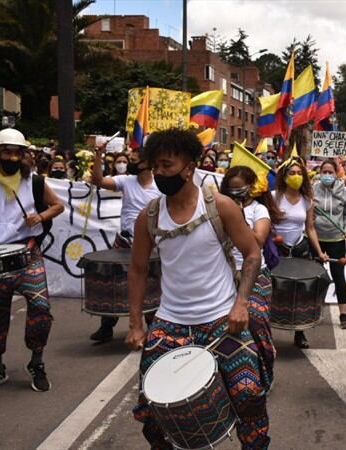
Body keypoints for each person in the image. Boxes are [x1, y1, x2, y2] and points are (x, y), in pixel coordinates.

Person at [126, 129, 269, 450]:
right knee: (152, 412)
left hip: (223, 321)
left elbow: (252, 253)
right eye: (156, 166)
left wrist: (241, 303)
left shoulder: (220, 207)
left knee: (249, 396)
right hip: (170, 323)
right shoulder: (148, 217)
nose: (160, 173)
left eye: (167, 165)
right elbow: (137, 269)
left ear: (189, 168)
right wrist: (136, 324)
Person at [0, 128, 65, 392]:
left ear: (24, 156)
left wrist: (40, 217)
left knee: (41, 308)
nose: (12, 157)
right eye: (7, 152)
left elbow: (57, 206)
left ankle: (37, 362)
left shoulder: (35, 182)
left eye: (17, 153)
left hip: (27, 253)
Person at [219, 165, 282, 390]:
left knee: (255, 320)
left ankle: (266, 368)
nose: (236, 195)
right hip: (224, 273)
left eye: (240, 190)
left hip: (255, 273)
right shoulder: (218, 209)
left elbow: (258, 241)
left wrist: (238, 220)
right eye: (231, 190)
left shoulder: (259, 210)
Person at [89, 144, 160, 342]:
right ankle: (106, 326)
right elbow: (98, 181)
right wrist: (98, 155)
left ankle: (152, 328)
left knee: (151, 285)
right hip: (124, 242)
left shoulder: (160, 186)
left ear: (147, 164)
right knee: (114, 284)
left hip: (151, 245)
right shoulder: (126, 181)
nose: (130, 164)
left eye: (135, 160)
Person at [273, 151, 329, 349]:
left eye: (299, 172)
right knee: (275, 289)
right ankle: (268, 330)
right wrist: (273, 237)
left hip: (299, 248)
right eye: (292, 172)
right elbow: (266, 223)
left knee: (301, 291)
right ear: (284, 176)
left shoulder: (307, 200)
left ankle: (300, 332)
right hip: (277, 249)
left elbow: (310, 228)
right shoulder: (273, 197)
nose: (295, 176)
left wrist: (320, 252)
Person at [313, 159, 346, 329]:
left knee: (339, 277)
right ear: (320, 173)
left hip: (337, 239)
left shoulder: (342, 190)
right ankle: (313, 312)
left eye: (331, 172)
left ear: (337, 173)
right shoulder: (313, 189)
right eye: (325, 172)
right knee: (316, 277)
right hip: (316, 239)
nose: (327, 175)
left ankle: (343, 314)